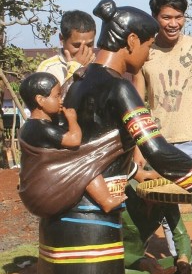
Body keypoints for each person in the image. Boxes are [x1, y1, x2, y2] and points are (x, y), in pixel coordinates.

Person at [24, 0, 192, 274]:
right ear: (133, 42)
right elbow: (156, 148)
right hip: (92, 216)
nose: (149, 54)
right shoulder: (118, 87)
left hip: (64, 212)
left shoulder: (80, 79)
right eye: (150, 45)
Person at [133, 0, 192, 257]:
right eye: (167, 17)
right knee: (169, 214)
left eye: (179, 17)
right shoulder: (144, 52)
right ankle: (179, 266)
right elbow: (137, 104)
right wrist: (138, 147)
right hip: (159, 146)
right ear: (155, 17)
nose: (173, 23)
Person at [19, 72, 126, 213]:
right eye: (57, 96)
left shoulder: (32, 125)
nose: (61, 100)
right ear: (40, 100)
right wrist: (72, 119)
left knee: (81, 159)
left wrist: (74, 78)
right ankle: (106, 200)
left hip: (35, 190)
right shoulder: (42, 128)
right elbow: (74, 140)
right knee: (86, 160)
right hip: (43, 192)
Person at [124, 178, 192, 274]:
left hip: (143, 267)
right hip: (113, 267)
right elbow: (102, 248)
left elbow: (181, 235)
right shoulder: (124, 196)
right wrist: (143, 263)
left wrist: (183, 259)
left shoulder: (165, 200)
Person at [37, 10, 96, 84]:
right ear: (62, 39)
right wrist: (75, 69)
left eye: (89, 45)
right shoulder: (48, 69)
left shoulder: (100, 65)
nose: (84, 50)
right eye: (77, 46)